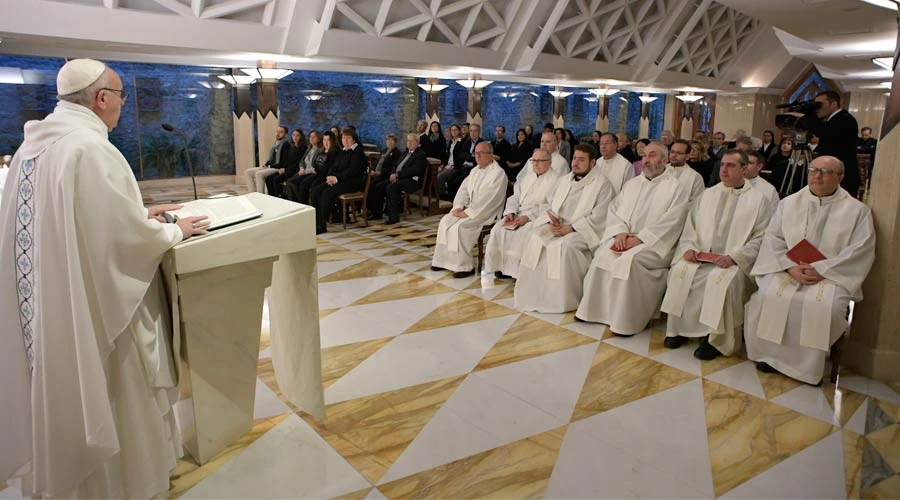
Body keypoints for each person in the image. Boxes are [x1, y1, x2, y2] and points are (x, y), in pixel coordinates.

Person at [0, 59, 209, 500]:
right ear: (101, 99)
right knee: (117, 386)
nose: (121, 104)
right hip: (94, 306)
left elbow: (72, 223)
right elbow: (120, 241)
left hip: (50, 300)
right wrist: (172, 229)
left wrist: (136, 215)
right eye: (120, 96)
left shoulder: (30, 149)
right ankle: (123, 484)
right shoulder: (90, 148)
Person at [744, 155, 875, 385]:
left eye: (825, 172)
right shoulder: (789, 203)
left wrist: (823, 269)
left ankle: (807, 368)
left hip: (832, 275)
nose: (817, 176)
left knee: (824, 306)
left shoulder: (858, 211)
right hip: (788, 269)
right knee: (766, 295)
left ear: (840, 177)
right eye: (813, 170)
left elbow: (860, 250)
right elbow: (773, 238)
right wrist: (790, 267)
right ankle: (771, 357)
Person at [660, 150, 774, 360]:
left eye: (731, 166)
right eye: (722, 165)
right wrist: (689, 248)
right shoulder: (708, 194)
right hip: (701, 256)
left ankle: (714, 339)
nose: (724, 169)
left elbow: (761, 238)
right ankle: (678, 330)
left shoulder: (759, 200)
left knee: (722, 282)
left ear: (744, 169)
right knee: (680, 272)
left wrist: (735, 256)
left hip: (733, 261)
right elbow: (690, 227)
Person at [575, 143, 691, 335]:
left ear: (665, 160)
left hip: (655, 245)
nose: (646, 160)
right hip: (624, 237)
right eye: (644, 155)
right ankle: (594, 311)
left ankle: (626, 320)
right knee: (603, 254)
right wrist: (620, 232)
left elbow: (673, 221)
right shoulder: (633, 184)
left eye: (652, 155)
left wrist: (640, 239)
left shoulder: (676, 188)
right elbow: (614, 210)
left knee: (630, 260)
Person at [515, 144, 616, 313]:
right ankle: (534, 295)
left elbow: (600, 216)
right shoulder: (564, 180)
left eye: (581, 160)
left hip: (582, 231)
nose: (575, 163)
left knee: (564, 246)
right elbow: (552, 204)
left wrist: (571, 228)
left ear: (593, 163)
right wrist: (552, 219)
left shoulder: (602, 184)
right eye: (575, 158)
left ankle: (563, 299)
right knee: (535, 237)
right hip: (559, 225)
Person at [432, 142, 507, 278]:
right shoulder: (475, 170)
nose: (477, 156)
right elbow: (464, 190)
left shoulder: (498, 174)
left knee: (461, 227)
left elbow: (489, 200)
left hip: (486, 212)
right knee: (445, 221)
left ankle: (464, 266)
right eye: (475, 153)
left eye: (481, 153)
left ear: (490, 155)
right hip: (469, 209)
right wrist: (458, 206)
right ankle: (443, 261)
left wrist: (468, 212)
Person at [485, 148, 561, 280]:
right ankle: (502, 267)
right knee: (498, 229)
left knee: (523, 233)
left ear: (549, 162)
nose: (536, 164)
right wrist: (510, 212)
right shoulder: (527, 177)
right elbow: (516, 197)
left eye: (540, 161)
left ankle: (518, 271)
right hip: (518, 213)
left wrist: (528, 217)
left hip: (537, 218)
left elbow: (552, 206)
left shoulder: (556, 180)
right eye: (534, 161)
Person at [798, 90, 860, 196]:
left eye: (820, 104)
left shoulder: (844, 119)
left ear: (834, 104)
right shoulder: (832, 120)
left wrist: (805, 117)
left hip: (842, 176)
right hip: (832, 173)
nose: (817, 108)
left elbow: (824, 131)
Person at [310, 127, 367, 234]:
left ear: (354, 139)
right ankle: (316, 221)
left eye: (348, 138)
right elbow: (334, 167)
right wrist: (330, 177)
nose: (345, 140)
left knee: (327, 193)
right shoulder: (343, 151)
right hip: (339, 181)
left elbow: (352, 171)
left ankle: (322, 225)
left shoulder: (358, 152)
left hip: (352, 183)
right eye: (344, 138)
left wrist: (336, 178)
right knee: (315, 190)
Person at [369, 133, 427, 224]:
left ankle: (393, 217)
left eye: (411, 141)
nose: (409, 143)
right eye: (408, 141)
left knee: (391, 187)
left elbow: (414, 171)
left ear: (417, 142)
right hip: (399, 178)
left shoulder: (420, 155)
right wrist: (393, 174)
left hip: (411, 181)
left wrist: (397, 175)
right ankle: (377, 213)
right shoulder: (405, 152)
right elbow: (395, 165)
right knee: (379, 185)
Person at [365, 134, 403, 217]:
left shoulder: (397, 153)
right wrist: (372, 170)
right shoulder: (383, 151)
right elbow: (377, 163)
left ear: (395, 142)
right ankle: (367, 208)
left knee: (375, 187)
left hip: (386, 175)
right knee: (365, 183)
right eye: (388, 140)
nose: (389, 142)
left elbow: (393, 167)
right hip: (377, 173)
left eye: (391, 140)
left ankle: (377, 212)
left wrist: (380, 172)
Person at [245, 125, 290, 193]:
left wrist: (269, 166)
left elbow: (283, 162)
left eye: (281, 132)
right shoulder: (275, 144)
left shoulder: (286, 145)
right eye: (277, 131)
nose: (278, 134)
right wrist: (266, 165)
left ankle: (260, 196)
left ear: (285, 134)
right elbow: (271, 159)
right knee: (248, 172)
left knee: (259, 174)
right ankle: (252, 193)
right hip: (271, 166)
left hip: (278, 168)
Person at [265, 128, 306, 198]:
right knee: (268, 178)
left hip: (294, 171)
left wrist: (286, 169)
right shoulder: (292, 147)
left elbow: (299, 163)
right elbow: (287, 161)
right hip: (287, 169)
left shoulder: (303, 148)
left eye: (297, 136)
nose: (295, 137)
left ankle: (280, 197)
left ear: (301, 137)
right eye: (293, 135)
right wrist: (283, 168)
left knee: (276, 179)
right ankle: (272, 197)